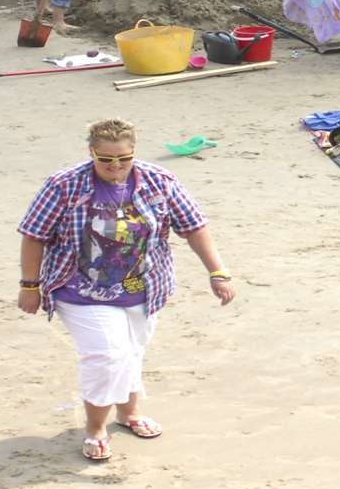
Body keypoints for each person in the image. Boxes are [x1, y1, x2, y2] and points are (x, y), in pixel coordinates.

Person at [17, 118, 233, 463]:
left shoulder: (159, 181)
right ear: (92, 153)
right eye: (106, 160)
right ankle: (95, 428)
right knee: (108, 355)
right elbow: (34, 235)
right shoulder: (63, 185)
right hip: (80, 289)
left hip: (144, 288)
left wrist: (217, 272)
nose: (115, 167)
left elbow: (194, 227)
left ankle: (129, 413)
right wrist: (30, 285)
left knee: (132, 351)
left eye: (124, 158)